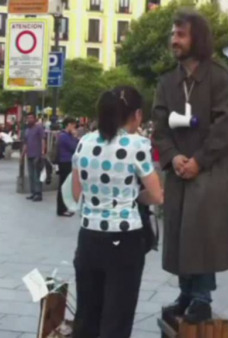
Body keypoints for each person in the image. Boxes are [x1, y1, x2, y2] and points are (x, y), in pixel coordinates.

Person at [153, 10, 228, 323]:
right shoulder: (168, 82)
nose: (173, 40)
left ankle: (202, 298)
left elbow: (226, 125)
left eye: (181, 34)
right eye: (173, 34)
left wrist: (199, 160)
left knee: (201, 229)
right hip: (180, 170)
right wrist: (174, 157)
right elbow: (160, 127)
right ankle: (187, 293)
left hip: (212, 170)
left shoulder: (220, 77)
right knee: (179, 231)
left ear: (198, 39)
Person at [70, 86, 163, 338]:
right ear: (137, 115)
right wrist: (133, 197)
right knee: (117, 318)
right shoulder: (136, 144)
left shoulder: (84, 143)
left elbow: (77, 194)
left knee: (87, 313)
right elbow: (156, 195)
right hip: (124, 241)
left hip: (88, 237)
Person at [56, 117, 78, 217]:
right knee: (63, 185)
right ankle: (61, 208)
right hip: (65, 162)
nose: (74, 127)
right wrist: (75, 137)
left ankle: (65, 207)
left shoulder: (66, 136)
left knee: (66, 185)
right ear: (68, 125)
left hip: (68, 161)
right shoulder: (64, 136)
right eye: (73, 125)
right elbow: (74, 147)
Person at [23, 112, 46, 202]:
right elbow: (26, 143)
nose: (29, 120)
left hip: (37, 154)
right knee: (31, 175)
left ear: (34, 119)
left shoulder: (39, 128)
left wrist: (43, 151)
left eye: (31, 118)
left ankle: (38, 193)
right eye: (28, 118)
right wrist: (23, 155)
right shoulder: (27, 130)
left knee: (37, 175)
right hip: (29, 155)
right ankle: (33, 192)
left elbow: (43, 139)